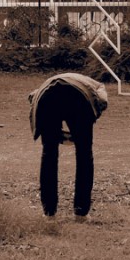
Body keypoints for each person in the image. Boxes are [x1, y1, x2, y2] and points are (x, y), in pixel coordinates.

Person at [28, 73, 108, 218]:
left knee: (49, 153)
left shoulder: (41, 90)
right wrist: (81, 134)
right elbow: (102, 102)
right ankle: (81, 212)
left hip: (47, 96)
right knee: (84, 153)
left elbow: (33, 101)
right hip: (78, 97)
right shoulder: (98, 88)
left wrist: (54, 135)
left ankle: (49, 212)